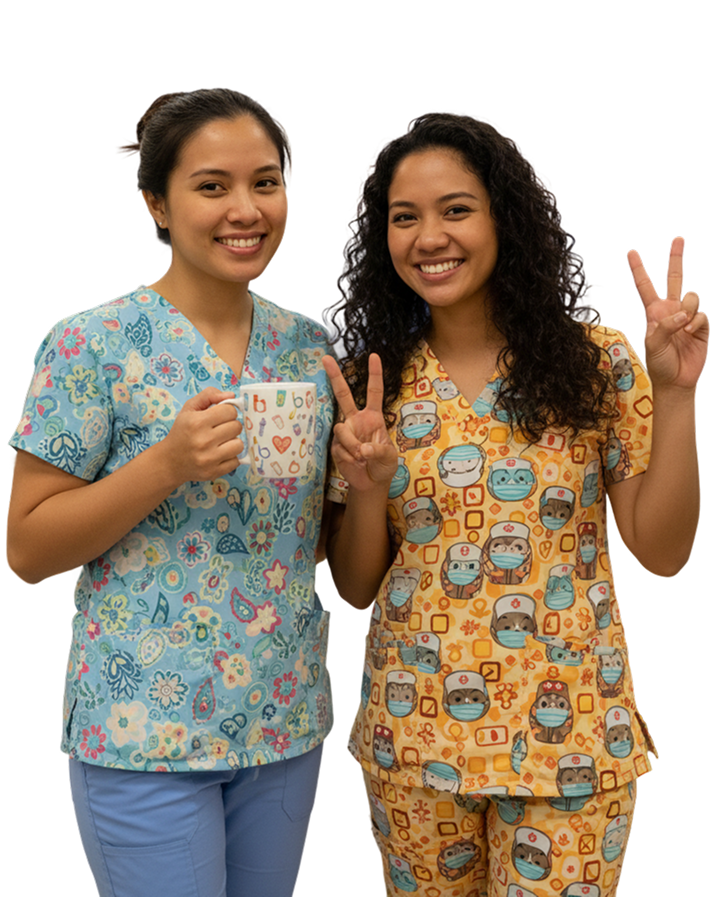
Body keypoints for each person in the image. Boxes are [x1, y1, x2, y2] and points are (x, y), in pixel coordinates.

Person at [321, 111, 707, 896]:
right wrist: (364, 490)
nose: (430, 236)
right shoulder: (371, 384)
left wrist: (675, 393)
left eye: (456, 209)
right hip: (413, 742)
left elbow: (663, 553)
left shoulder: (597, 362)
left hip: (572, 744)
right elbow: (357, 589)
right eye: (405, 217)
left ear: (504, 216)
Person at [6, 88, 336, 897]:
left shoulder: (313, 346)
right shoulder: (90, 342)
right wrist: (165, 465)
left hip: (286, 724)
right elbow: (27, 549)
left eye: (267, 182)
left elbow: (316, 544)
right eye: (212, 185)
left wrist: (362, 481)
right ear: (156, 200)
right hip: (142, 732)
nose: (245, 209)